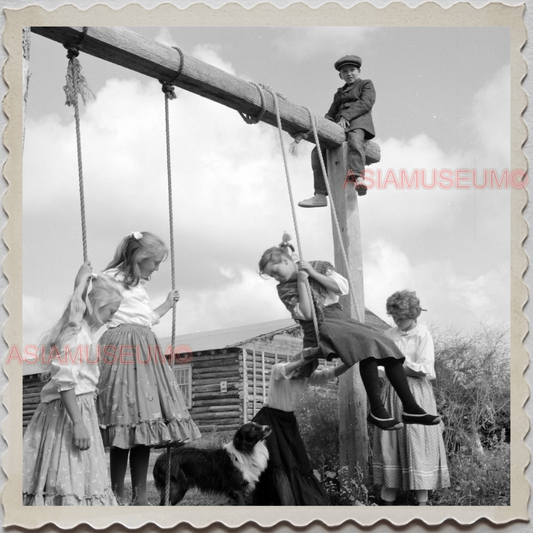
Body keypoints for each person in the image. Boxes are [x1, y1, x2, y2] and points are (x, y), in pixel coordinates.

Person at [259, 241, 441, 432]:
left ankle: (410, 408)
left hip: (339, 316)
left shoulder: (319, 266)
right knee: (367, 346)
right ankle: (378, 409)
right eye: (272, 276)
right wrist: (302, 282)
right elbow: (307, 314)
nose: (276, 278)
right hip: (321, 324)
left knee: (384, 344)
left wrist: (312, 273)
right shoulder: (285, 289)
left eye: (276, 271)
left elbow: (341, 288)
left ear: (287, 260)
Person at [97, 231, 201, 506]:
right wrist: (85, 280)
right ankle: (117, 493)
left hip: (145, 344)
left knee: (144, 420)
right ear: (140, 257)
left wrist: (167, 304)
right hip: (122, 344)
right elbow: (95, 305)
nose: (156, 268)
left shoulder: (138, 284)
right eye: (155, 262)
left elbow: (146, 318)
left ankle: (140, 496)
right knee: (123, 419)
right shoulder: (109, 277)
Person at [23, 262, 122, 506]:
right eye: (111, 311)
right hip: (69, 413)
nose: (113, 318)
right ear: (97, 306)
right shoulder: (76, 336)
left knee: (75, 472)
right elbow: (65, 383)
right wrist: (78, 423)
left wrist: (80, 286)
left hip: (80, 409)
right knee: (67, 471)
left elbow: (78, 309)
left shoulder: (82, 332)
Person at [373, 291, 450, 506]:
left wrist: (397, 366)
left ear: (413, 314)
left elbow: (426, 368)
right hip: (392, 393)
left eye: (401, 317)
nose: (397, 321)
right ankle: (387, 503)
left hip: (416, 392)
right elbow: (380, 364)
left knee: (417, 441)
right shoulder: (389, 335)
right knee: (391, 439)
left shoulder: (422, 335)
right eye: (394, 317)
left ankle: (422, 504)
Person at [252, 350, 349, 505]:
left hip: (288, 423)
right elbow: (285, 370)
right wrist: (304, 360)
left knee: (295, 461)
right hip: (268, 421)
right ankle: (271, 503)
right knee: (274, 462)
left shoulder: (306, 375)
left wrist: (350, 363)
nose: (299, 376)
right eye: (298, 371)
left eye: (304, 374)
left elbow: (329, 373)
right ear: (296, 364)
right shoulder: (279, 369)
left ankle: (293, 502)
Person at [299, 54, 376, 208]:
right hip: (339, 126)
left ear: (359, 71)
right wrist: (324, 124)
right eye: (345, 72)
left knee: (355, 140)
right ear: (340, 76)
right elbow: (331, 112)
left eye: (352, 70)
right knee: (318, 150)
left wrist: (346, 116)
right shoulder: (339, 93)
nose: (349, 74)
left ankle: (358, 178)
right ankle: (320, 194)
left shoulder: (366, 84)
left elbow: (365, 103)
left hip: (357, 123)